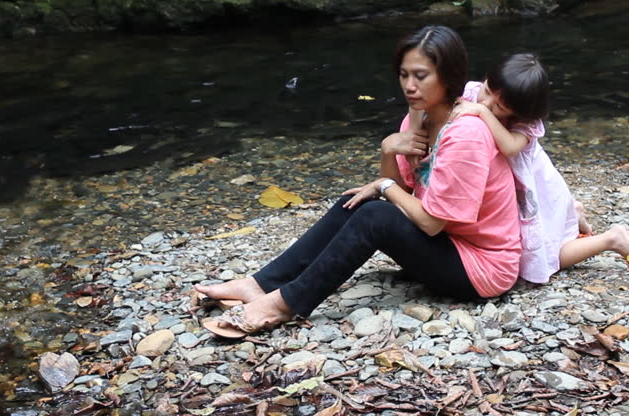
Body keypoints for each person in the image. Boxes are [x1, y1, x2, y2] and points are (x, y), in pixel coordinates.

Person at [196, 25, 522, 338]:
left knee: (374, 213)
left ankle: (285, 304)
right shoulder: (418, 118)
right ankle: (261, 284)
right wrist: (387, 152)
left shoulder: (467, 134)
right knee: (356, 203)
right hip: (449, 245)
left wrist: (383, 186)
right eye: (404, 74)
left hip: (482, 268)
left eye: (420, 76)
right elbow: (407, 192)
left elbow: (432, 223)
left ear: (449, 76)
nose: (409, 85)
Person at [407, 53, 629, 284]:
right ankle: (574, 214)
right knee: (551, 224)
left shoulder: (525, 123)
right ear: (486, 79)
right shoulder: (475, 92)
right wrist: (415, 135)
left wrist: (481, 113)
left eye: (499, 108)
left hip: (532, 187)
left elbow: (509, 147)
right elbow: (425, 102)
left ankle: (612, 239)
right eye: (487, 92)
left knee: (544, 256)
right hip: (508, 186)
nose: (487, 103)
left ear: (520, 112)